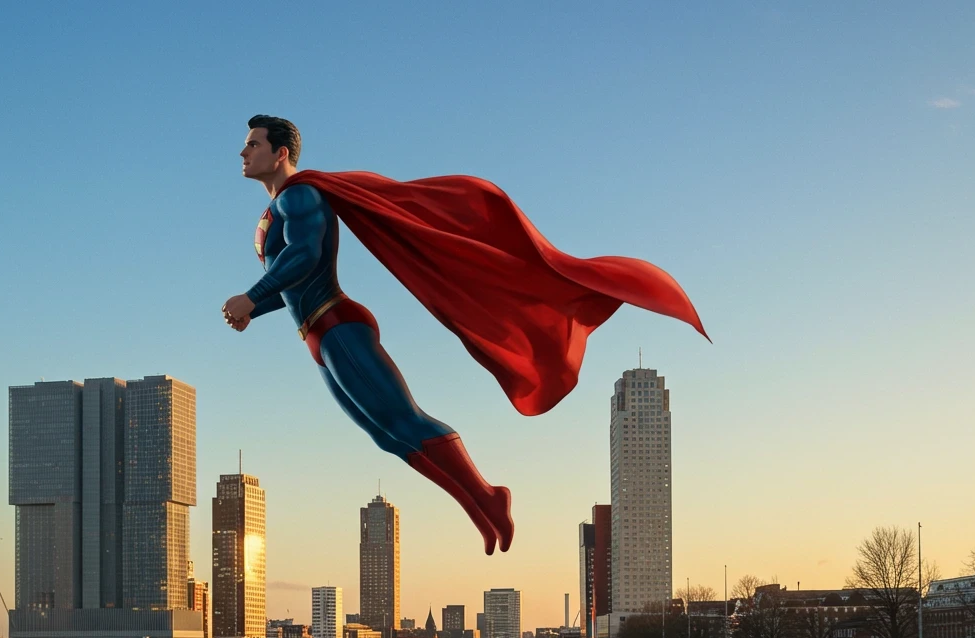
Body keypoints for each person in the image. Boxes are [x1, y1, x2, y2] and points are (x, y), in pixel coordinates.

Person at [224, 116, 707, 554]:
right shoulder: (276, 210)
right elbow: (289, 285)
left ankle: (486, 495)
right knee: (385, 435)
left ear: (280, 152)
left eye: (252, 144)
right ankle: (478, 503)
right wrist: (256, 307)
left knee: (403, 419)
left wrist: (250, 294)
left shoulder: (300, 197)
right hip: (316, 337)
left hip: (337, 325)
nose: (244, 153)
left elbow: (305, 257)